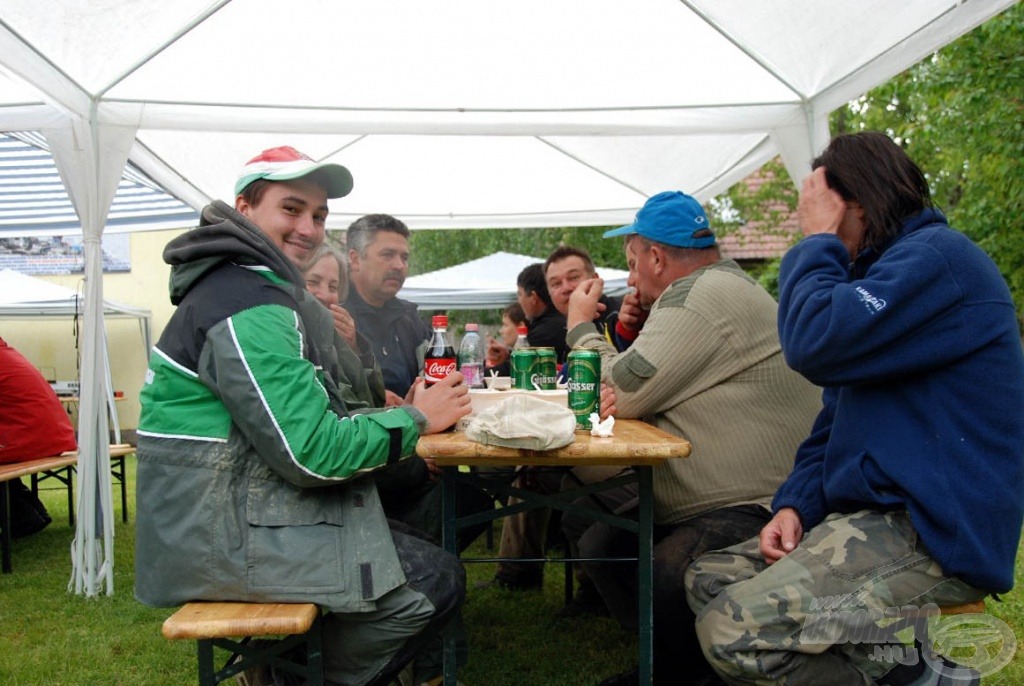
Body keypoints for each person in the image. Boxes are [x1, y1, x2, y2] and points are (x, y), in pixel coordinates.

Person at [685, 132, 1024, 686]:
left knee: (733, 628)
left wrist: (817, 240)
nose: (820, 234)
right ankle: (899, 662)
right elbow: (835, 419)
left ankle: (918, 678)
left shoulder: (938, 263)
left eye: (823, 215)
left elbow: (813, 342)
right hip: (872, 518)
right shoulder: (888, 275)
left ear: (858, 204)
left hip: (934, 530)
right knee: (709, 578)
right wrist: (795, 504)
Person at [134, 145, 473, 686]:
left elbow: (325, 411)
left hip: (225, 506)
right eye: (291, 209)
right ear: (244, 208)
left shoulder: (252, 285)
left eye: (318, 216)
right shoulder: (245, 300)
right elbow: (310, 453)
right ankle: (288, 674)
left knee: (408, 529)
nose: (308, 228)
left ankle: (288, 665)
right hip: (215, 531)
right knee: (434, 579)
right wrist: (415, 420)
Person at [564, 191, 822, 686]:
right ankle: (671, 658)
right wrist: (627, 342)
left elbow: (617, 390)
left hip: (760, 504)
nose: (632, 280)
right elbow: (636, 382)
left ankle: (686, 672)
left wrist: (581, 328)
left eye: (634, 264)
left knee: (669, 570)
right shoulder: (712, 288)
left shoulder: (699, 296)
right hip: (728, 495)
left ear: (657, 257)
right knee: (603, 544)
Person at [343, 213, 430, 405]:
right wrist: (375, 397)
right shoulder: (333, 314)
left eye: (404, 257)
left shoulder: (409, 317)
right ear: (355, 259)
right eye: (387, 255)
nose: (399, 265)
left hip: (417, 427)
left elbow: (438, 372)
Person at [0, 336, 77, 538]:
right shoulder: (8, 355)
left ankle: (24, 517)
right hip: (52, 436)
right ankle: (31, 513)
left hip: (33, 437)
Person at [301, 243, 386, 410]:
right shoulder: (290, 340)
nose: (325, 295)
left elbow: (373, 403)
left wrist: (353, 349)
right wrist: (411, 414)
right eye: (313, 282)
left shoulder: (334, 342)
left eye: (333, 287)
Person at [485, 302, 526, 377]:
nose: (501, 331)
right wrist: (506, 355)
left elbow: (506, 370)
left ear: (520, 326)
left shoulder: (527, 354)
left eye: (505, 325)